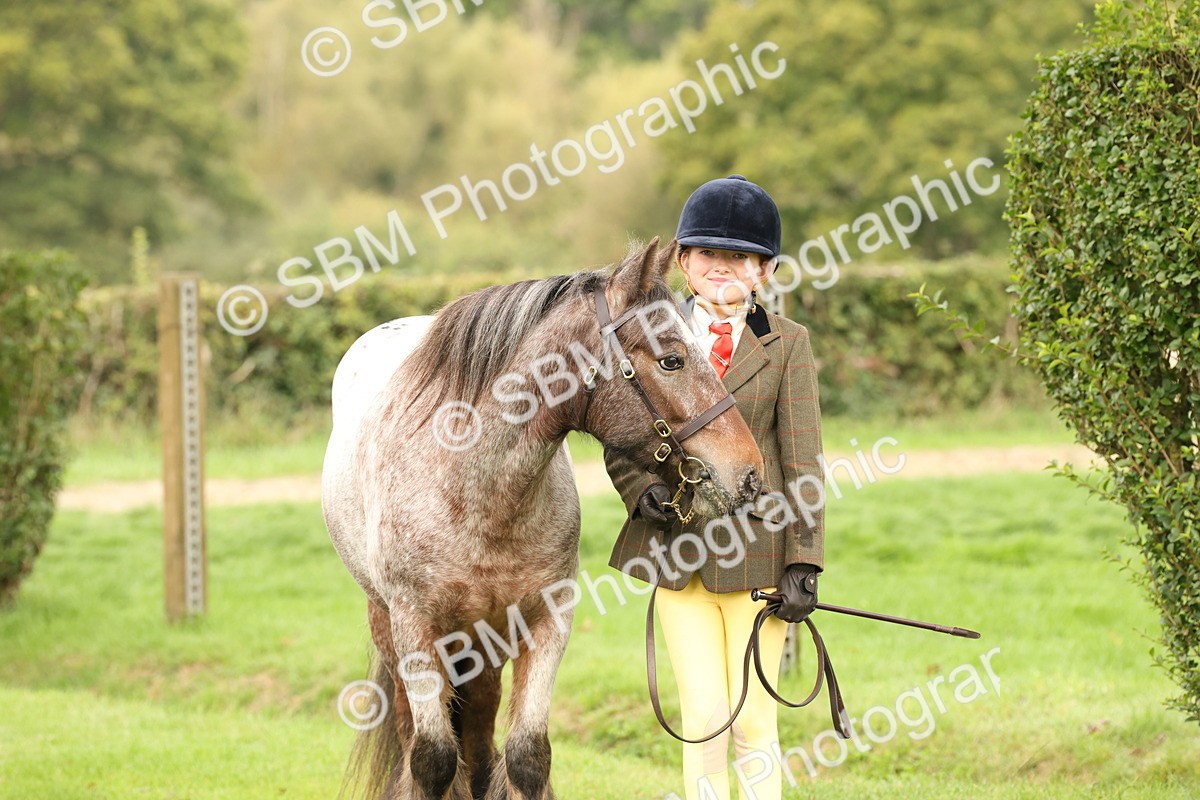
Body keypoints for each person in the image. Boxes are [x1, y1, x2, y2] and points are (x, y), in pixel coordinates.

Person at [603, 175, 825, 800]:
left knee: (755, 720)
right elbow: (619, 432)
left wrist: (805, 559)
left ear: (764, 270)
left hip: (762, 556)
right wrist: (637, 487)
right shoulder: (651, 337)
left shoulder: (788, 346)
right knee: (703, 721)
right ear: (683, 262)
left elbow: (803, 459)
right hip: (680, 558)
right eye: (709, 254)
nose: (723, 267)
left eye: (741, 257)